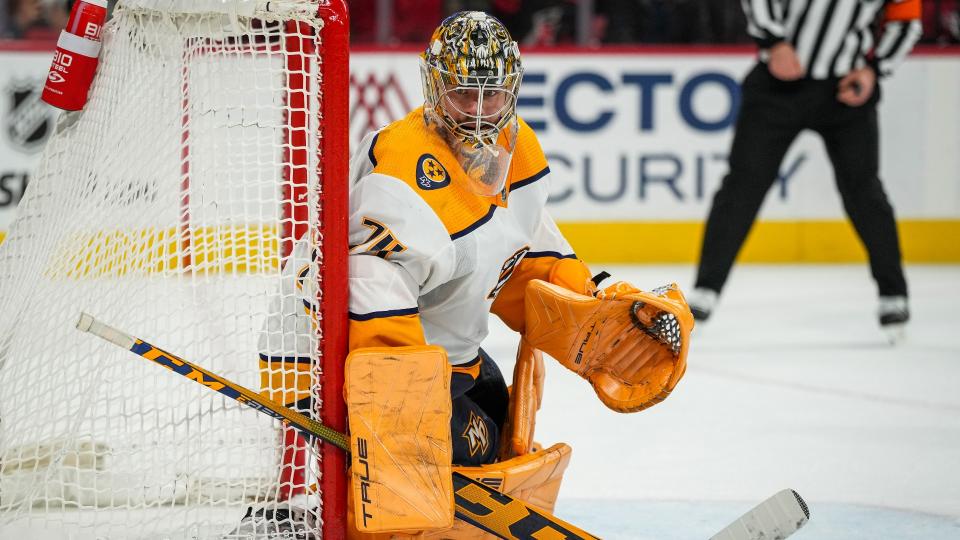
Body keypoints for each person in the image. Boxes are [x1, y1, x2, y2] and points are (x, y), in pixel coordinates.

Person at [238, 11, 693, 538]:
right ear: (434, 88)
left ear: (512, 92)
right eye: (462, 95)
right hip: (326, 360)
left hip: (434, 354)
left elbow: (521, 254)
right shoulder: (407, 174)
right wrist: (402, 416)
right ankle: (305, 513)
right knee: (451, 461)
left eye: (491, 95)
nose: (478, 113)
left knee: (503, 427)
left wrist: (595, 312)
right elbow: (363, 284)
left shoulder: (515, 149)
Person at [687, 0, 922, 343]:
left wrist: (874, 69)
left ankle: (893, 293)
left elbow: (905, 20)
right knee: (742, 186)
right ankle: (706, 289)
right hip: (777, 86)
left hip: (846, 90)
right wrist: (774, 42)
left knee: (864, 191)